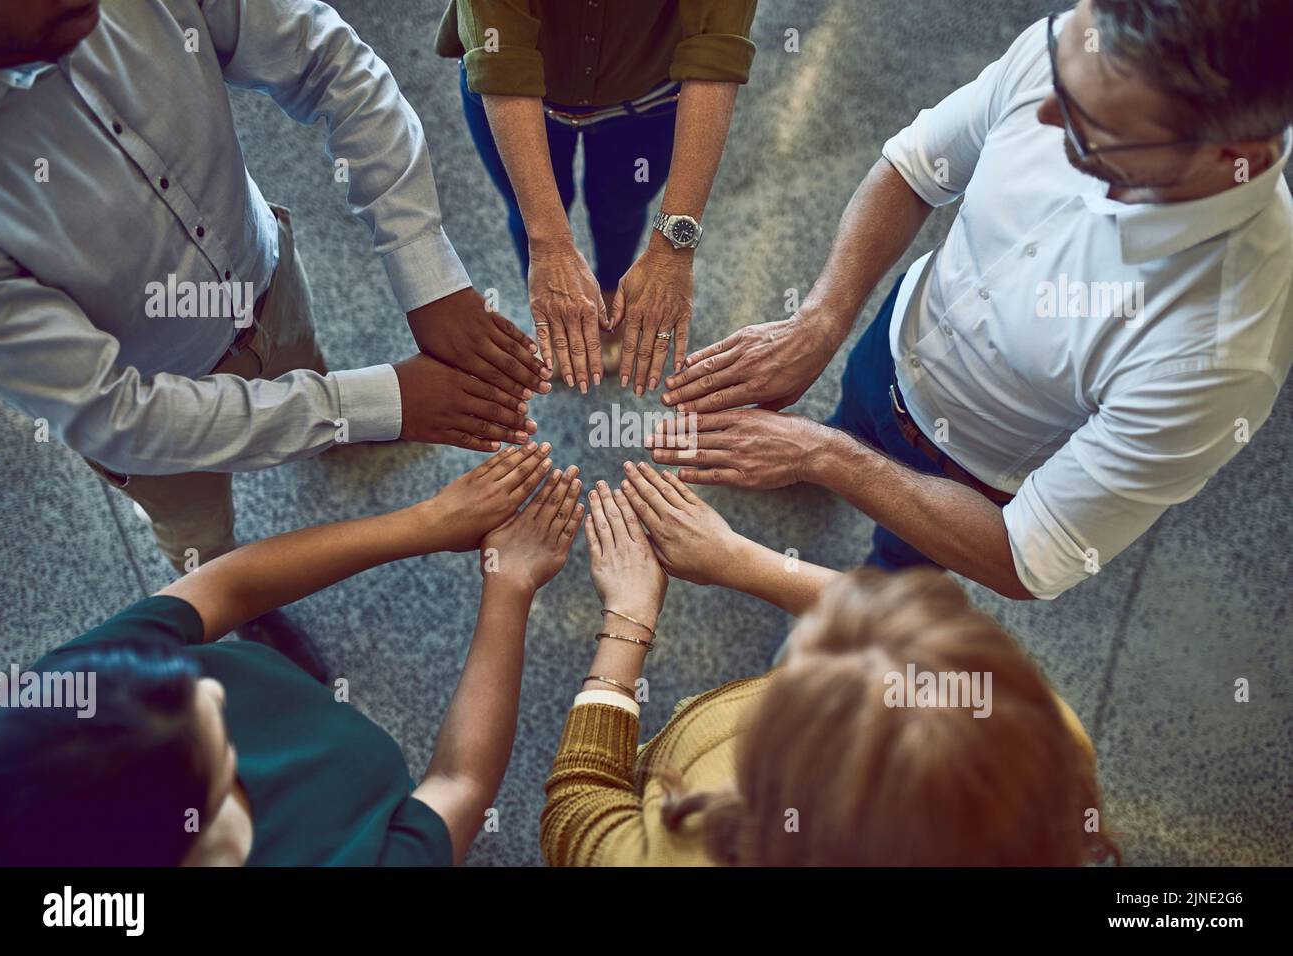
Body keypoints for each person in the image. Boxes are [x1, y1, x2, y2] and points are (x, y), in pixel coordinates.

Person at [648, 0, 1293, 601]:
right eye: (1061, 72)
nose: (1044, 113)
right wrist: (823, 319)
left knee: (900, 566)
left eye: (1091, 130)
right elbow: (914, 167)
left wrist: (820, 454)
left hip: (966, 478)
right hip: (894, 337)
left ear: (1232, 155)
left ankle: (861, 612)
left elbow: (1026, 557)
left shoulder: (1223, 351)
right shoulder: (1078, 56)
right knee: (849, 418)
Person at [0, 0, 554, 583]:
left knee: (312, 372)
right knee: (200, 545)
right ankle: (237, 620)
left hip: (269, 278)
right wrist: (376, 404)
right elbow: (116, 417)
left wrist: (426, 274)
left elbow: (329, 60)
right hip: (156, 400)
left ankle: (333, 442)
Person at [0, 442, 586, 866]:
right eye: (214, 744)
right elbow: (458, 783)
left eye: (184, 681)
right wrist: (509, 586)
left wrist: (427, 521)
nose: (211, 686)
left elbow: (227, 587)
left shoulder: (60, 713)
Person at [540, 461, 1116, 866]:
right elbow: (906, 634)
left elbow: (581, 807)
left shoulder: (691, 852)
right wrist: (738, 560)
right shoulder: (1035, 740)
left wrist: (628, 619)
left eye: (800, 691)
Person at [435, 0, 757, 393]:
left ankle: (607, 303)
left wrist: (672, 251)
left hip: (648, 97)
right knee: (531, 217)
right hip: (517, 91)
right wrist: (551, 248)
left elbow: (717, 47)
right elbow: (501, 57)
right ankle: (563, 317)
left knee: (621, 208)